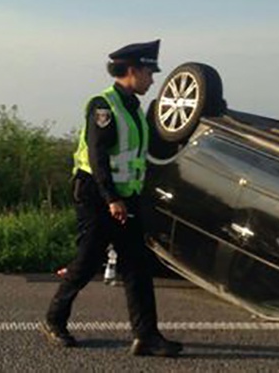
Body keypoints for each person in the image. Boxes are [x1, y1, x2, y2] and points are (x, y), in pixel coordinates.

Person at [40, 39, 182, 357]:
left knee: (137, 266)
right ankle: (54, 320)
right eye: (149, 72)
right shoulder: (103, 106)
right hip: (97, 196)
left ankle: (146, 336)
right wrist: (110, 198)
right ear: (131, 71)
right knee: (88, 261)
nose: (152, 79)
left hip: (124, 198)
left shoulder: (133, 107)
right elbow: (98, 154)